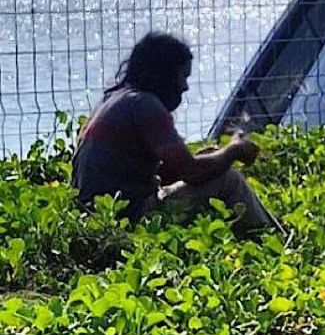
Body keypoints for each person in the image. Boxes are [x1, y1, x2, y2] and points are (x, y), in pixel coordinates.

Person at [71, 32, 284, 235]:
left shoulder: (114, 100)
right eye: (183, 76)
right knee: (229, 179)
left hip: (93, 216)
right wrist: (233, 151)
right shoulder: (146, 106)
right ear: (164, 74)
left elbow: (155, 172)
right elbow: (190, 172)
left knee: (212, 162)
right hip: (130, 218)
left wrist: (210, 158)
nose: (185, 87)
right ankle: (274, 239)